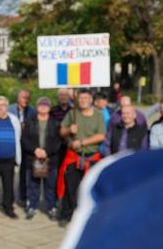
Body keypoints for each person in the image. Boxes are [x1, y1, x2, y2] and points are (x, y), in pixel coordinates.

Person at [57, 89, 106, 227]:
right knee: (70, 187)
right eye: (81, 97)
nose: (83, 100)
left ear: (91, 100)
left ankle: (90, 217)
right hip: (74, 157)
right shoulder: (73, 113)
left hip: (92, 158)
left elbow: (101, 135)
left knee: (90, 189)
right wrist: (69, 130)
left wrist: (82, 142)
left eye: (86, 97)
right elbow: (61, 131)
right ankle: (66, 215)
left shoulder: (98, 115)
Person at [21, 97, 61, 220]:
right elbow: (24, 139)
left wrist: (46, 151)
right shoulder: (29, 121)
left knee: (50, 186)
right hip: (33, 159)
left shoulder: (55, 123)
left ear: (49, 108)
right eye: (41, 105)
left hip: (50, 160)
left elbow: (58, 141)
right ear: (37, 107)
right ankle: (32, 206)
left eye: (46, 105)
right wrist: (35, 150)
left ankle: (51, 208)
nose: (43, 107)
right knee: (33, 185)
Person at [9, 89, 36, 208]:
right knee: (8, 171)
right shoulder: (10, 109)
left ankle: (23, 197)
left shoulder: (32, 110)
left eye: (27, 98)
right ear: (18, 98)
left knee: (25, 172)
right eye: (23, 97)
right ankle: (8, 198)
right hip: (12, 144)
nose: (26, 100)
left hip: (26, 144)